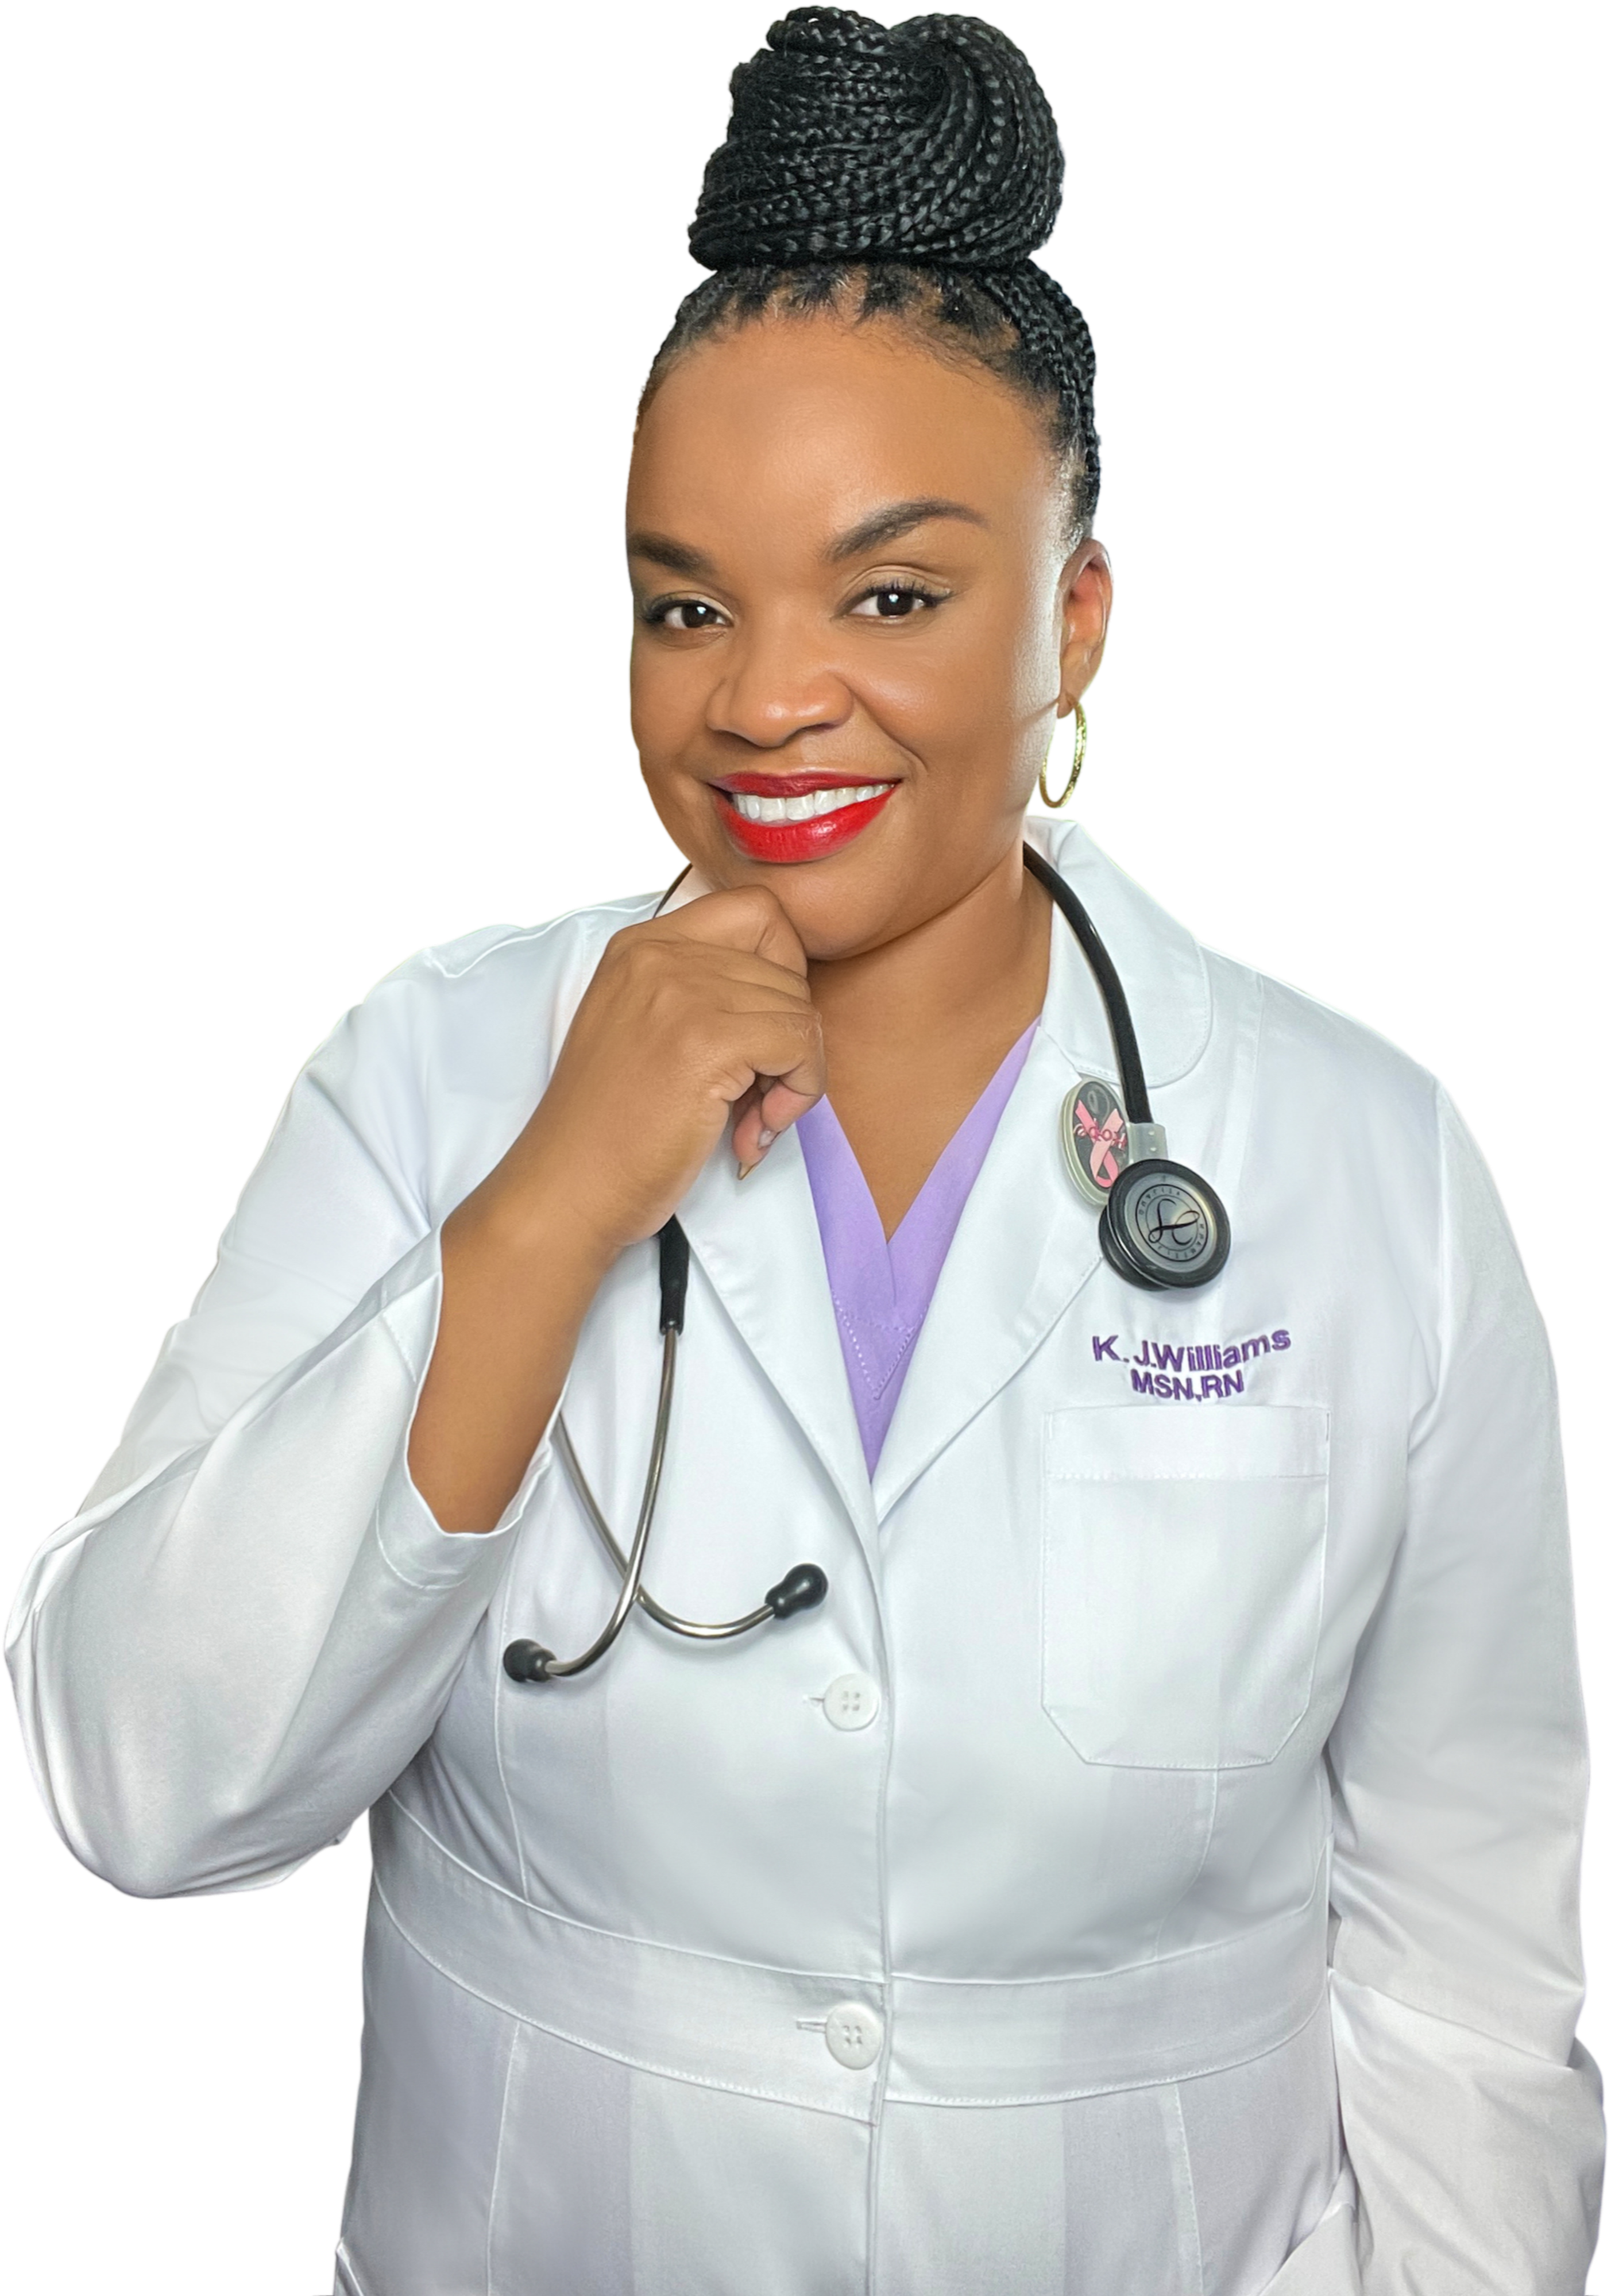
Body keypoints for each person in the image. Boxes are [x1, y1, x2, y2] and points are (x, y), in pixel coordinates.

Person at [4, 9, 1602, 2291]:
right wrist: (549, 1205)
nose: (762, 700)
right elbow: (143, 1792)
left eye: (891, 595)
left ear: (1078, 619)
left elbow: (1470, 1953)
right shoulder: (435, 1069)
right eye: (685, 603)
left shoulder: (1370, 1166)